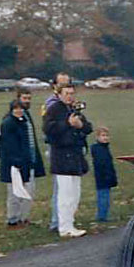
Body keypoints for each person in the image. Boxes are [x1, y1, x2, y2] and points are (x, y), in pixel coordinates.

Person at [43, 84, 93, 238]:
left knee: (75, 193)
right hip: (62, 157)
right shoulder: (54, 110)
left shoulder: (73, 109)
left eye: (72, 93)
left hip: (75, 156)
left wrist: (81, 125)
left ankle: (71, 222)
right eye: (67, 93)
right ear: (59, 94)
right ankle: (64, 227)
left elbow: (88, 127)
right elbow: (48, 130)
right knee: (65, 195)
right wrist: (67, 124)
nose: (70, 96)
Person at [0, 100, 45, 228]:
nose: (19, 111)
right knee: (14, 193)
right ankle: (12, 220)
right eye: (16, 109)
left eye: (21, 109)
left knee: (28, 191)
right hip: (14, 165)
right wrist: (16, 162)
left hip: (27, 163)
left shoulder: (23, 122)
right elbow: (7, 146)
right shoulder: (8, 123)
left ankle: (23, 218)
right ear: (11, 110)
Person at [43, 71, 71, 232]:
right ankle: (56, 220)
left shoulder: (67, 103)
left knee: (68, 187)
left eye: (68, 83)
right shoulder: (52, 104)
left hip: (69, 146)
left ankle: (65, 218)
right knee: (60, 185)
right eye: (62, 84)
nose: (65, 87)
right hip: (58, 147)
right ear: (55, 86)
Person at [91, 126, 118, 222]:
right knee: (103, 197)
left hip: (107, 176)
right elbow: (101, 163)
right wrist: (107, 175)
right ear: (97, 137)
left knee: (106, 196)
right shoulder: (98, 149)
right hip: (102, 177)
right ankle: (102, 216)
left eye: (107, 135)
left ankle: (104, 214)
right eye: (103, 135)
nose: (105, 138)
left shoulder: (105, 148)